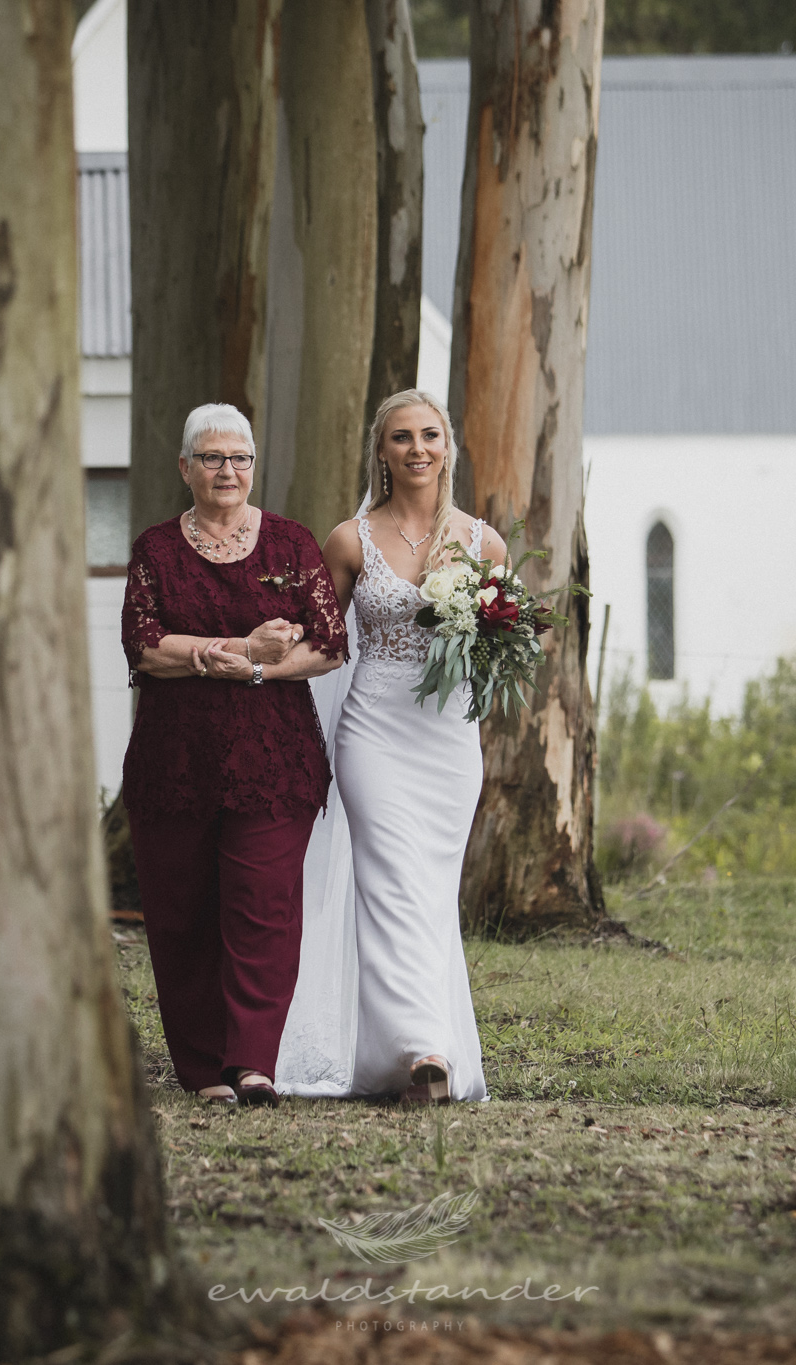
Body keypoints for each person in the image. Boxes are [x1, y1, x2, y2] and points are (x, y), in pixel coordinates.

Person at [275, 389, 504, 1103]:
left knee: (430, 891)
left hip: (448, 738)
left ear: (447, 446)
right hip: (373, 730)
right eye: (401, 437)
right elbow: (322, 639)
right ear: (380, 450)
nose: (417, 449)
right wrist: (257, 661)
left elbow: (503, 642)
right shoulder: (350, 540)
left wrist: (493, 635)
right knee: (389, 884)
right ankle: (422, 1049)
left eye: (430, 435)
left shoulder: (484, 543)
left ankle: (408, 1054)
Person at [120, 404, 348, 1106]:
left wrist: (253, 670)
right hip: (175, 761)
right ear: (184, 467)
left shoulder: (291, 543)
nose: (228, 470)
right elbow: (144, 646)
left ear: (254, 465)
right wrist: (243, 647)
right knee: (182, 913)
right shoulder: (156, 550)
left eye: (240, 458)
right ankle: (201, 1071)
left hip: (273, 759)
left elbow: (329, 642)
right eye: (212, 458)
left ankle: (252, 1063)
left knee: (263, 908)